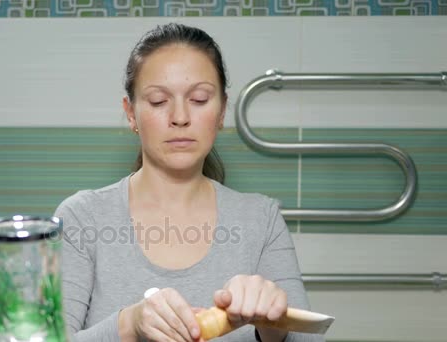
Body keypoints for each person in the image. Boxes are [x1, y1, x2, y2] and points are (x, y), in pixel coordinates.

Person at [54, 23, 323, 342]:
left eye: (198, 99)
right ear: (131, 114)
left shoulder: (261, 219)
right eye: (157, 101)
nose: (180, 117)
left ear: (222, 110)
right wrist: (129, 324)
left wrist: (271, 326)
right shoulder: (81, 217)